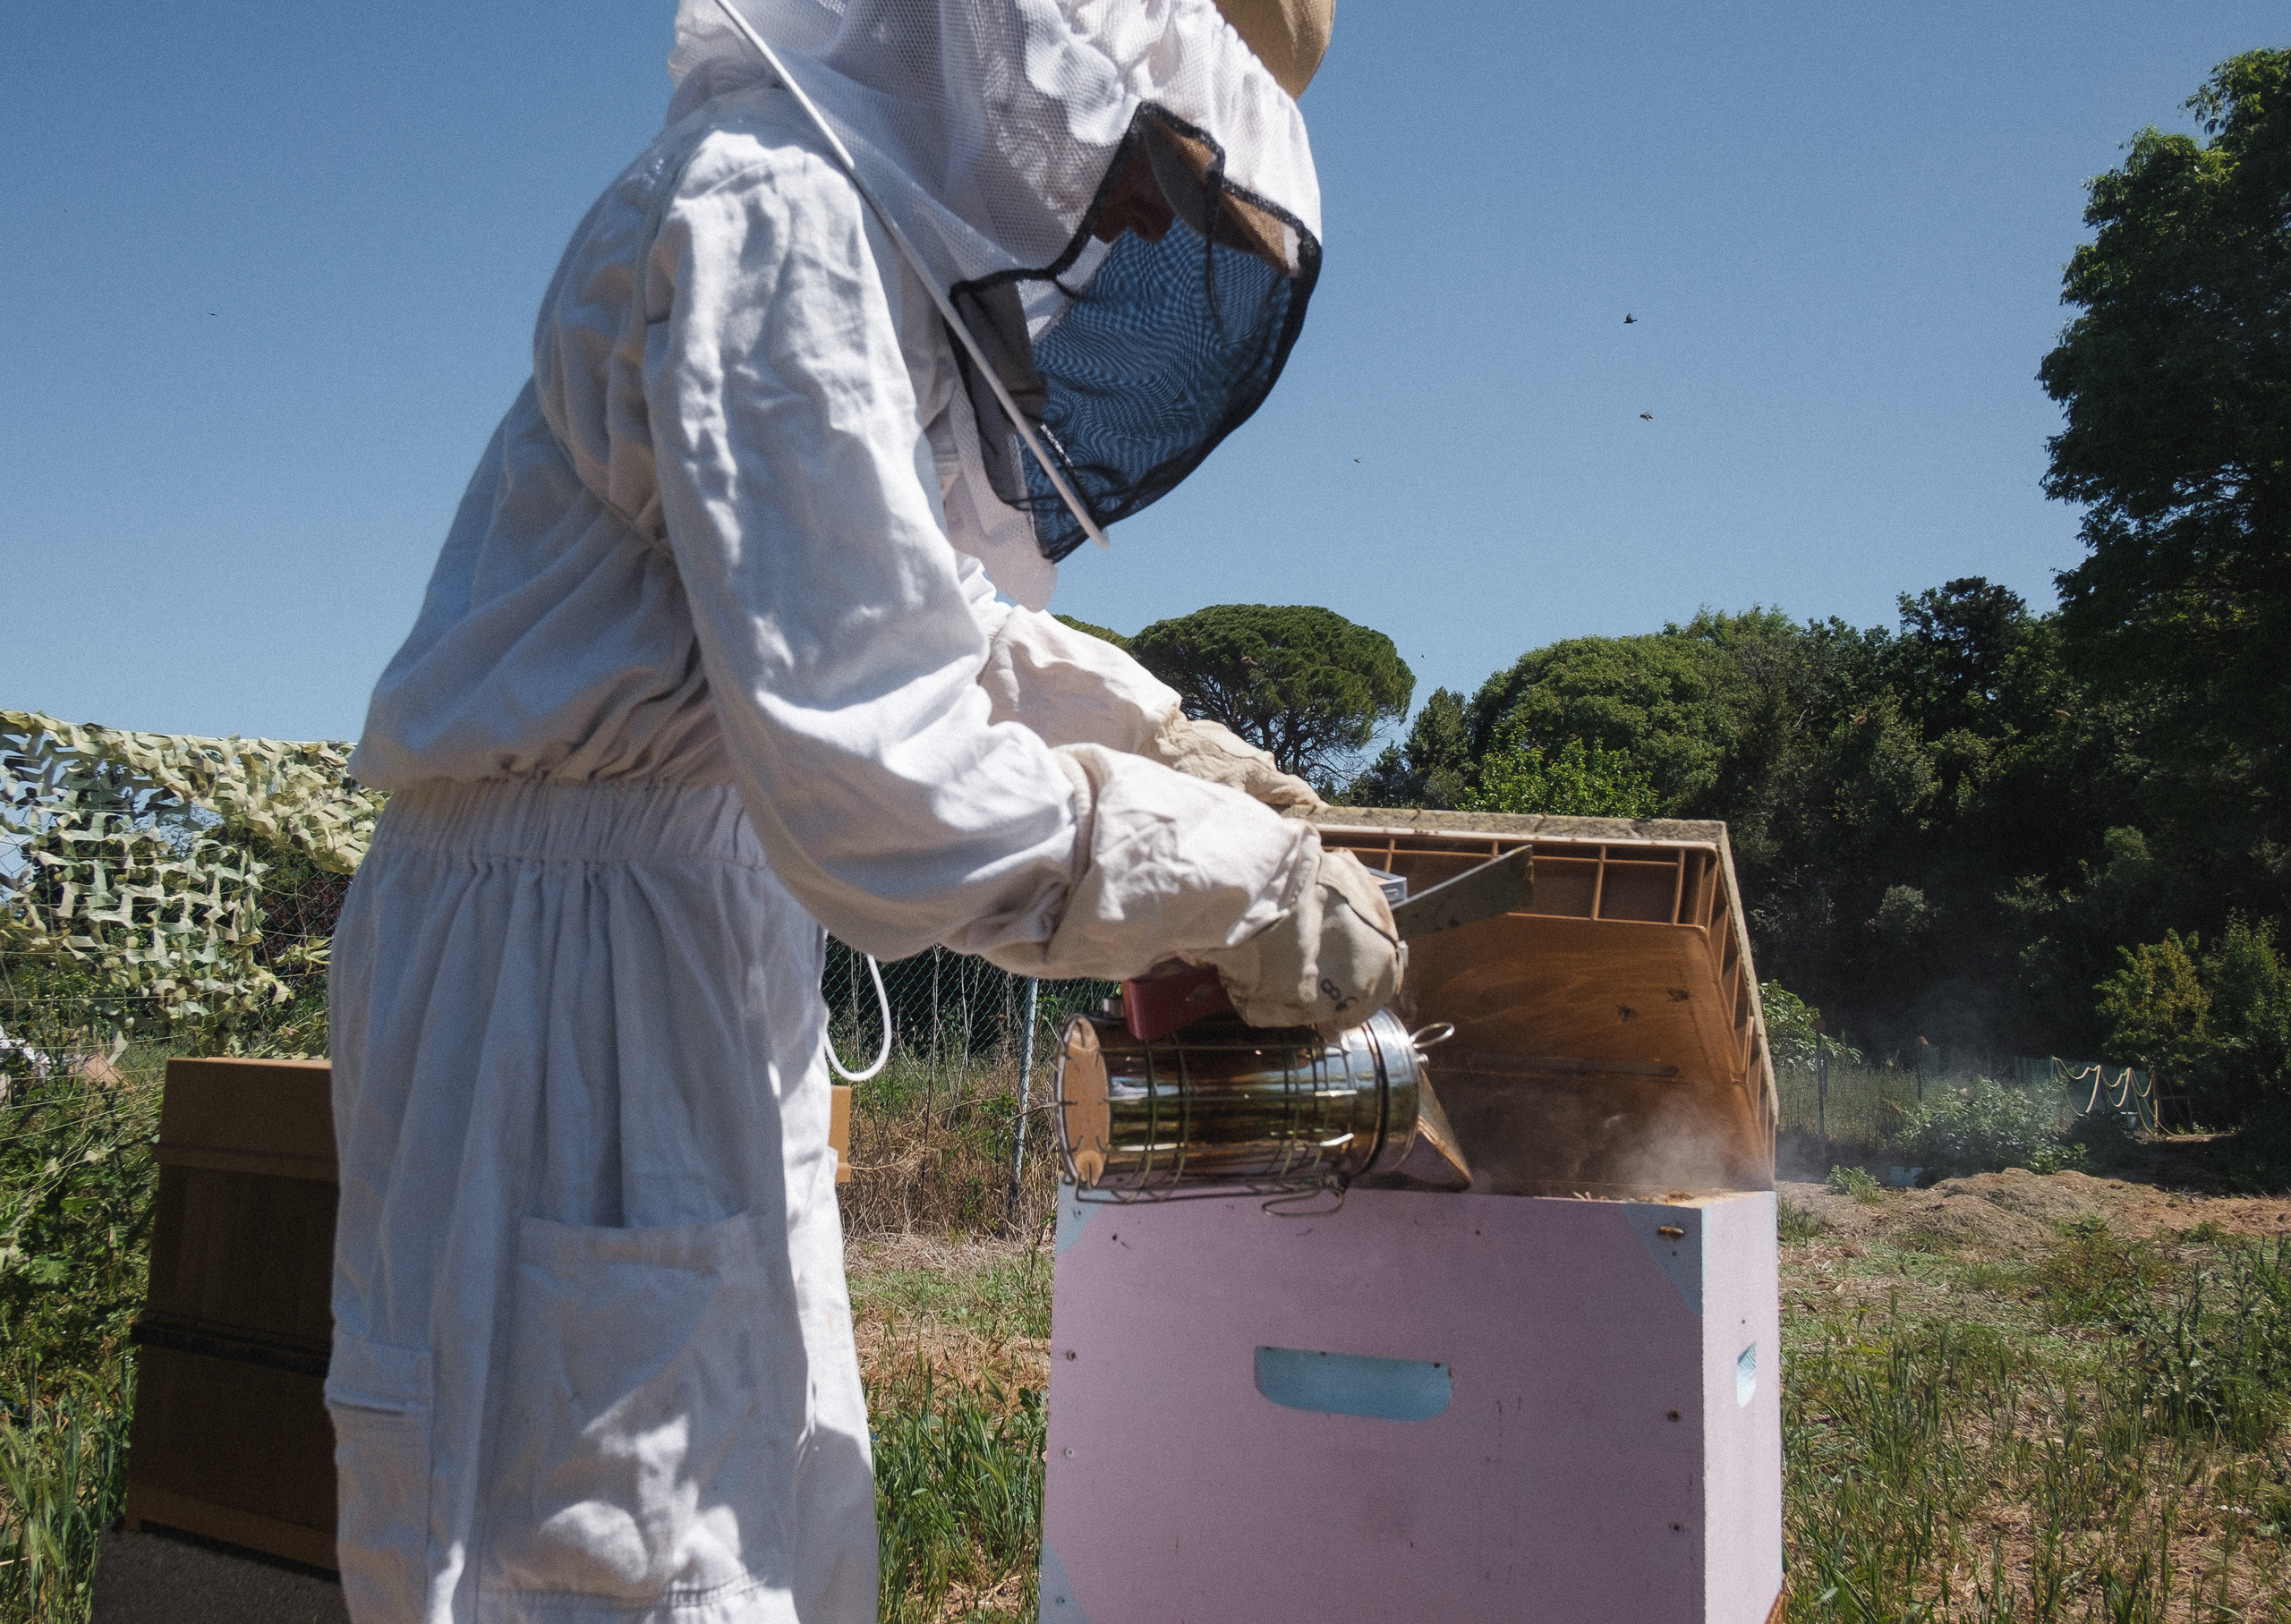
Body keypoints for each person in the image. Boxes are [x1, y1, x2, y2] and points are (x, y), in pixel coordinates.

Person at [326, 2, 1397, 1619]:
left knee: (751, 1496)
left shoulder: (838, 239)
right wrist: (1239, 885)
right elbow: (878, 780)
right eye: (1160, 149)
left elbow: (918, 622)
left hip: (670, 933)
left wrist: (1184, 746)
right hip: (561, 970)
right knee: (602, 1547)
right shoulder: (775, 215)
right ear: (1039, 53)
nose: (1145, 217)